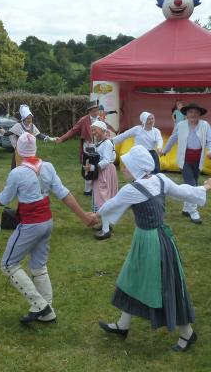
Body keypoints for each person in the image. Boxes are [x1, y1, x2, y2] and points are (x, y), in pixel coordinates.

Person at [97, 145, 211, 352]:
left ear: (136, 167)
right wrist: (202, 189)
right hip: (150, 239)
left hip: (153, 243)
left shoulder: (132, 189)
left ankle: (188, 333)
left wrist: (94, 216)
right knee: (132, 277)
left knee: (167, 285)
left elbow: (110, 206)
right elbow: (183, 191)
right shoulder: (159, 179)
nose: (123, 167)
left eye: (127, 165)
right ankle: (123, 326)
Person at [0, 132, 97, 323]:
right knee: (38, 265)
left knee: (8, 264)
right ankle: (47, 311)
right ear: (35, 148)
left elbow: (3, 200)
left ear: (18, 150)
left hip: (31, 224)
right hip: (47, 222)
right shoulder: (48, 167)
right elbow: (63, 193)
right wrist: (83, 216)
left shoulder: (17, 173)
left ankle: (40, 305)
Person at [162, 103, 211, 224]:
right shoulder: (181, 125)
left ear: (199, 114)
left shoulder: (205, 125)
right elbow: (173, 138)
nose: (193, 114)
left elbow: (209, 140)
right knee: (192, 185)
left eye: (195, 112)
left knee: (191, 183)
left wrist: (210, 150)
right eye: (190, 112)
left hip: (198, 159)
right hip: (185, 160)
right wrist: (165, 150)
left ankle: (186, 208)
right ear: (186, 114)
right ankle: (193, 212)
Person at [56, 101, 116, 195]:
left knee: (98, 166)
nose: (96, 113)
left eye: (97, 110)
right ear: (89, 111)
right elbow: (73, 130)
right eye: (93, 111)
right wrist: (62, 138)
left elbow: (105, 129)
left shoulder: (100, 119)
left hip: (99, 146)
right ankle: (87, 191)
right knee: (88, 166)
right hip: (88, 147)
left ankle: (98, 187)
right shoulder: (84, 120)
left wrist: (111, 135)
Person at [84, 120, 118, 239]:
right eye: (92, 130)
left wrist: (93, 167)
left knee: (103, 200)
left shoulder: (107, 143)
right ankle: (106, 224)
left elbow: (107, 160)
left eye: (95, 130)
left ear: (103, 130)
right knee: (101, 199)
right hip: (101, 173)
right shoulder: (100, 143)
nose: (93, 132)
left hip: (105, 173)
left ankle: (106, 230)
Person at [7, 104, 56, 169]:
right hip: (19, 153)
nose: (29, 120)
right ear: (23, 119)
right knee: (17, 169)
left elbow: (38, 134)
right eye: (27, 118)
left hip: (30, 154)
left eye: (30, 118)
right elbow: (8, 133)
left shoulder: (32, 126)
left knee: (30, 169)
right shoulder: (18, 126)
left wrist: (51, 139)